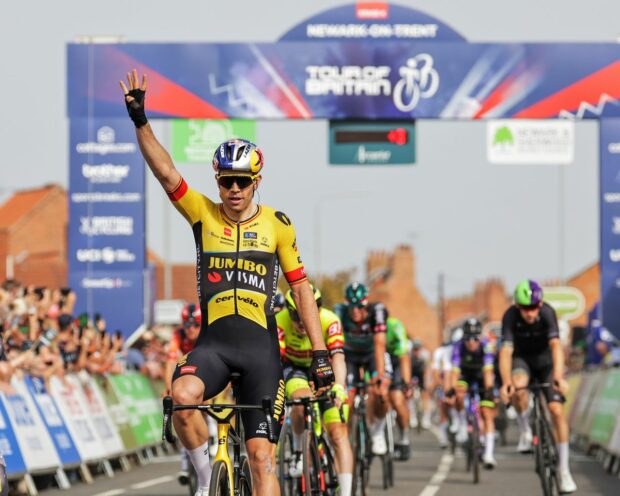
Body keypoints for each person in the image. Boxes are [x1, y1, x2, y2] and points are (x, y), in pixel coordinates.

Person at [120, 69, 334, 496]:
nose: (234, 190)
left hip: (261, 353)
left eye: (242, 182)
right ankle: (205, 477)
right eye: (226, 181)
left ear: (256, 181)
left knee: (261, 459)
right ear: (217, 181)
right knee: (182, 396)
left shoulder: (277, 225)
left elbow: (301, 290)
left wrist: (320, 352)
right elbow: (166, 174)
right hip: (214, 344)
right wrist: (141, 121)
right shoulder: (203, 213)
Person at [499, 280, 577, 493]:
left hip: (546, 364)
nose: (530, 314)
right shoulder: (510, 317)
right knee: (519, 385)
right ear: (518, 307)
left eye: (534, 308)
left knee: (556, 410)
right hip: (521, 361)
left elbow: (556, 347)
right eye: (526, 309)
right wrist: (506, 382)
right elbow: (505, 352)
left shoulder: (548, 314)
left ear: (540, 305)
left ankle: (563, 469)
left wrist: (559, 377)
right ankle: (525, 430)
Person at [277, 286, 353, 496]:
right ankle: (300, 450)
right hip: (295, 369)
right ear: (287, 311)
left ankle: (346, 492)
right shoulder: (279, 321)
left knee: (338, 433)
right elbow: (274, 360)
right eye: (295, 315)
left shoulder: (330, 320)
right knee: (302, 403)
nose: (301, 322)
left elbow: (338, 356)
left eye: (306, 315)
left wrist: (339, 386)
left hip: (323, 367)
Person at [334, 282, 390, 455]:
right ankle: (346, 436)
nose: (355, 311)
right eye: (352, 306)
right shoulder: (340, 312)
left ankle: (378, 432)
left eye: (360, 306)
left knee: (380, 392)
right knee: (346, 397)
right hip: (350, 356)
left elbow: (380, 344)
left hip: (372, 354)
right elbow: (334, 346)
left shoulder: (377, 311)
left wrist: (379, 376)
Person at [446, 318, 498, 469]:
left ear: (480, 337)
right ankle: (463, 424)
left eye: (475, 337)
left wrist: (489, 389)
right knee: (460, 392)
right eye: (468, 337)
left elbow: (488, 371)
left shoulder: (486, 346)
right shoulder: (458, 347)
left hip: (482, 376)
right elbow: (454, 372)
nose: (471, 341)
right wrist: (452, 389)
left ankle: (489, 454)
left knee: (487, 413)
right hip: (465, 375)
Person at [165, 304, 203, 486]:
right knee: (182, 413)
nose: (191, 330)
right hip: (187, 376)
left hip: (206, 375)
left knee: (208, 403)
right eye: (187, 325)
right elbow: (170, 362)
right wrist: (168, 390)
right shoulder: (178, 335)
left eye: (195, 325)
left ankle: (211, 439)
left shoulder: (206, 335)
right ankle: (185, 461)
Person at [385, 317, 412, 459]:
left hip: (396, 361)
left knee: (397, 400)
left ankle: (404, 437)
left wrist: (406, 383)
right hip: (377, 360)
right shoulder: (368, 326)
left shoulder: (395, 327)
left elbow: (404, 357)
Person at [431, 327, 462, 448]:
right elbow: (437, 372)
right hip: (444, 379)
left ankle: (459, 420)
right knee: (443, 404)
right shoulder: (443, 351)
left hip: (460, 378)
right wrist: (439, 385)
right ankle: (443, 436)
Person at [409, 339, 432, 430]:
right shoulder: (410, 355)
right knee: (410, 393)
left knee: (425, 394)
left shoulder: (425, 355)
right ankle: (412, 416)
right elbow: (407, 369)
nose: (416, 351)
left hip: (422, 373)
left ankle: (426, 417)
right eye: (415, 349)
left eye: (418, 349)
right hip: (412, 372)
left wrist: (427, 382)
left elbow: (427, 369)